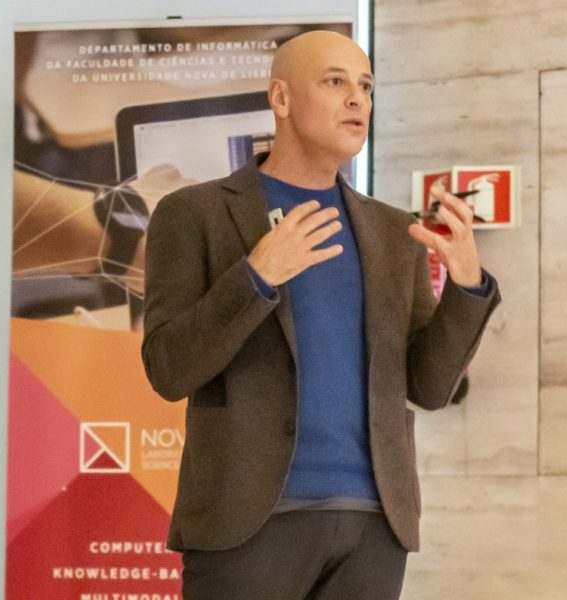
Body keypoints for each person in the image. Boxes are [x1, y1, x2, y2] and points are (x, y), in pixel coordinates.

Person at [141, 30, 500, 600]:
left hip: (374, 524)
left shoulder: (393, 232)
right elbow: (168, 368)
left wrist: (468, 288)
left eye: (366, 86)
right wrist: (256, 276)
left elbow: (429, 387)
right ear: (281, 98)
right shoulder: (195, 213)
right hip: (248, 521)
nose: (357, 99)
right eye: (335, 82)